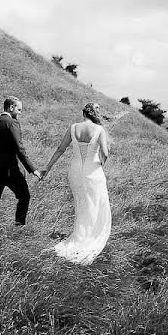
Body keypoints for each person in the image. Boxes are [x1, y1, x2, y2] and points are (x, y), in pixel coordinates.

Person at [41, 102, 112, 264]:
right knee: (94, 205)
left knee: (81, 205)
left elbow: (60, 149)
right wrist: (101, 164)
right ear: (95, 114)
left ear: (84, 113)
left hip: (75, 171)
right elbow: (105, 154)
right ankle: (88, 238)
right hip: (92, 172)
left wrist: (47, 167)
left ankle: (79, 236)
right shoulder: (99, 130)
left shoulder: (73, 128)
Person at [0, 96, 42, 228]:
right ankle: (19, 226)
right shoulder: (12, 123)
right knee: (24, 196)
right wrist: (33, 169)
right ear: (11, 107)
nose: (20, 113)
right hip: (10, 171)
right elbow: (20, 149)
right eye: (19, 109)